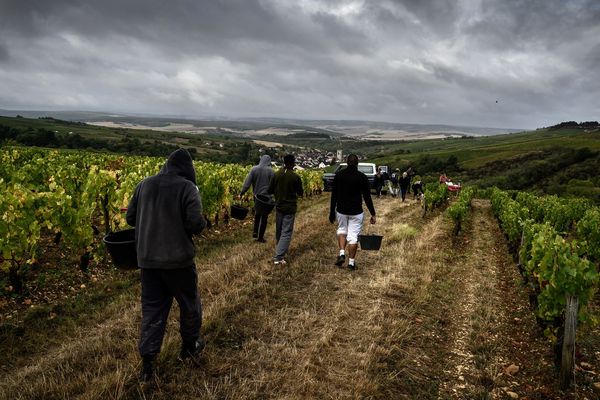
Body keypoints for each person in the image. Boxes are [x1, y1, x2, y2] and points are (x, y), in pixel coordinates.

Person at [126, 148, 206, 383]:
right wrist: (202, 222)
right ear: (187, 169)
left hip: (148, 262)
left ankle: (148, 364)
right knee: (189, 304)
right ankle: (190, 346)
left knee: (152, 310)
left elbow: (131, 218)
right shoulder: (187, 188)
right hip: (179, 262)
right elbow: (195, 224)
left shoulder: (144, 185)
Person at [329, 154, 376, 270]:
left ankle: (341, 253)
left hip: (341, 210)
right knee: (353, 236)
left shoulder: (339, 176)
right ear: (357, 163)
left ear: (347, 162)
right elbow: (367, 197)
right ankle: (351, 263)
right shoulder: (362, 177)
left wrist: (331, 212)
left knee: (342, 230)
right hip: (356, 211)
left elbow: (333, 195)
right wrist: (373, 213)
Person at [268, 154, 304, 265]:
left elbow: (269, 190)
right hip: (290, 207)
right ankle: (278, 257)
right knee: (286, 232)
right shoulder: (295, 177)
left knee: (279, 231)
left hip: (278, 206)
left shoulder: (276, 174)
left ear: (284, 162)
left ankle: (281, 250)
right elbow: (301, 193)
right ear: (293, 163)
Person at [239, 155, 275, 243]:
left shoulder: (254, 169)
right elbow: (274, 186)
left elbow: (247, 183)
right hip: (266, 198)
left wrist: (242, 192)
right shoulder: (271, 171)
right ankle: (260, 237)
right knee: (264, 217)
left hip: (257, 197)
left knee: (257, 213)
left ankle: (255, 231)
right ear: (269, 161)